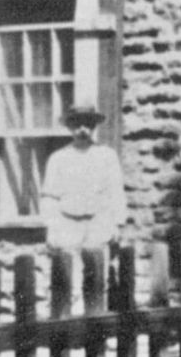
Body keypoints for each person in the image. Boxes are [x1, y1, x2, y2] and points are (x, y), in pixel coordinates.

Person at [40, 107, 128, 254]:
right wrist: (51, 227)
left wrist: (117, 224)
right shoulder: (58, 158)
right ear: (69, 127)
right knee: (69, 269)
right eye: (77, 125)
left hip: (99, 221)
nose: (82, 129)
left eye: (88, 124)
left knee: (98, 267)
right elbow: (50, 196)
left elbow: (116, 191)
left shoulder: (107, 155)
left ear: (94, 127)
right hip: (67, 223)